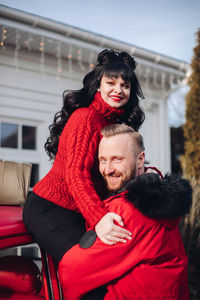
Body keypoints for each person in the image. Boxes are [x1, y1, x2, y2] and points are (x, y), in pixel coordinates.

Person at [23, 49, 146, 263]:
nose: (119, 90)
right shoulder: (86, 117)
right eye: (111, 83)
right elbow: (76, 173)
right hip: (49, 208)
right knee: (88, 266)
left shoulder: (113, 126)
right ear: (98, 85)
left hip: (79, 210)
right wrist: (99, 218)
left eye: (125, 86)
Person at [58, 124, 192, 300]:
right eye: (103, 160)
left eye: (117, 159)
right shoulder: (161, 194)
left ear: (140, 160)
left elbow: (71, 270)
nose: (107, 169)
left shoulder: (126, 212)